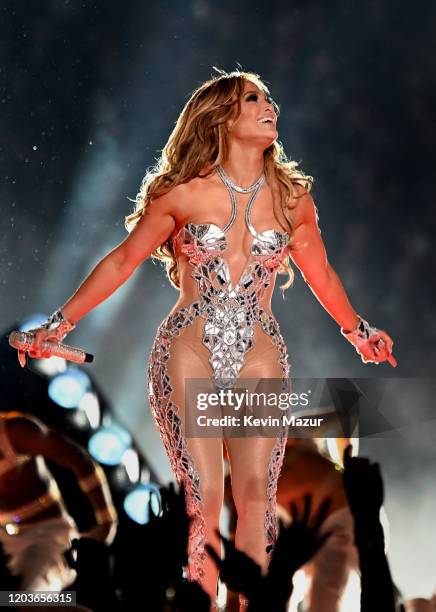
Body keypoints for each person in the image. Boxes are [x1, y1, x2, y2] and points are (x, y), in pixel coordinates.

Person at [13, 68, 395, 611]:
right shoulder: (181, 193)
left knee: (258, 500)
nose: (271, 106)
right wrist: (59, 324)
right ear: (223, 116)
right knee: (204, 499)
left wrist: (358, 331)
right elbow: (123, 260)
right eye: (254, 98)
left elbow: (322, 274)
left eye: (270, 97)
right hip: (187, 351)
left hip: (261, 354)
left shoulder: (293, 200)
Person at [0, 411, 117, 591]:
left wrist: (107, 521)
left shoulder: (15, 431)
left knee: (23, 599)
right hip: (5, 543)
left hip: (51, 538)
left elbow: (79, 459)